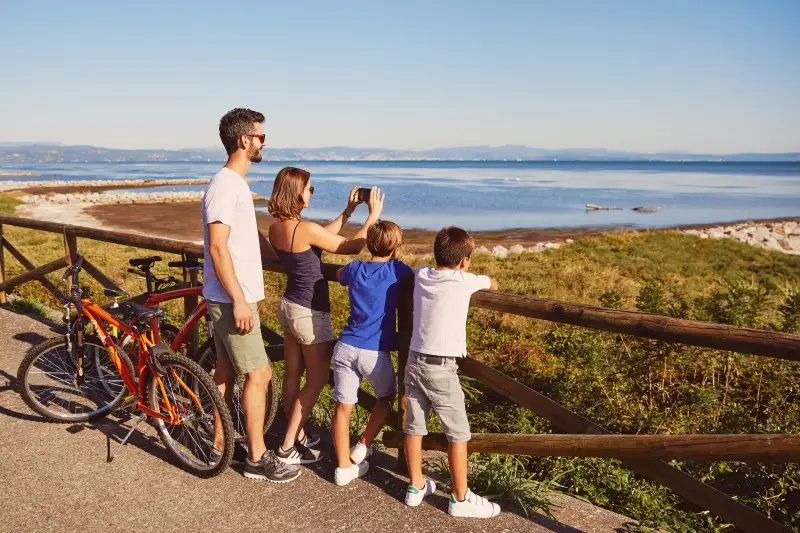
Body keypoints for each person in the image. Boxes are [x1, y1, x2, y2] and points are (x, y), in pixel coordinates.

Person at [203, 108, 299, 483]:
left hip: (229, 297)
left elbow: (246, 237)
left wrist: (282, 255)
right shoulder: (226, 185)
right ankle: (256, 459)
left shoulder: (235, 185)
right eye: (260, 136)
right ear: (244, 140)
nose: (263, 142)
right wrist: (240, 300)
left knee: (225, 372)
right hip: (231, 300)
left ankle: (218, 442)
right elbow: (217, 247)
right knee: (259, 374)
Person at [267, 167, 383, 466]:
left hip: (289, 307)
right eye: (309, 188)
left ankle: (298, 433)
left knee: (293, 375)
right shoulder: (303, 228)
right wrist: (371, 217)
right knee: (317, 379)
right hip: (310, 313)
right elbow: (348, 247)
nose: (311, 193)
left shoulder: (278, 227)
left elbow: (322, 237)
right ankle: (288, 445)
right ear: (296, 193)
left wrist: (347, 212)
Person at [403, 226, 502, 518]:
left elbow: (422, 270)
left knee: (414, 425)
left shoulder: (421, 275)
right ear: (463, 262)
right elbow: (492, 283)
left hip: (414, 359)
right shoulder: (464, 280)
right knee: (458, 434)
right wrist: (474, 276)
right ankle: (460, 498)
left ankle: (415, 486)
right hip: (442, 368)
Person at [331, 220, 413, 486]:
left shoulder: (355, 269)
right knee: (386, 396)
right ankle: (363, 445)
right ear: (396, 248)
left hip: (344, 347)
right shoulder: (398, 272)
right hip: (373, 352)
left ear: (368, 244)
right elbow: (417, 277)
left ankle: (343, 467)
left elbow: (339, 274)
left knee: (344, 407)